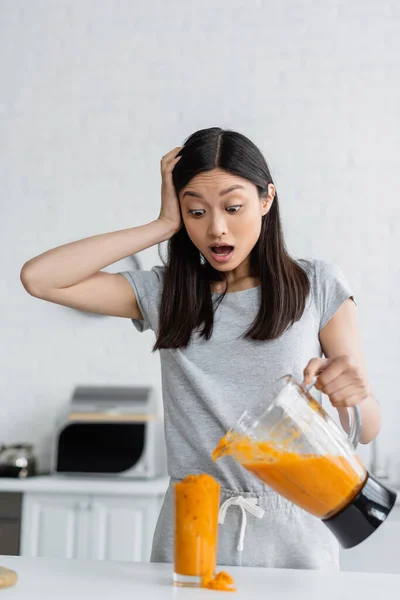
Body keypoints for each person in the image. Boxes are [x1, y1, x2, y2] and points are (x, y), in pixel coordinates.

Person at [20, 127, 381, 570]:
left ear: (266, 200)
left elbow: (365, 427)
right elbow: (41, 278)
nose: (216, 228)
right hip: (192, 525)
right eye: (195, 211)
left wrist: (353, 394)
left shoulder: (317, 285)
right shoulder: (165, 292)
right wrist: (160, 226)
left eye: (233, 207)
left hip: (295, 531)